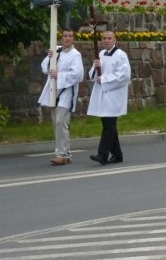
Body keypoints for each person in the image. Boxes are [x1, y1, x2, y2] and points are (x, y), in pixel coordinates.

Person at [38, 28, 84, 165]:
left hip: (66, 93)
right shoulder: (56, 50)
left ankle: (64, 153)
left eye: (70, 36)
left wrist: (60, 75)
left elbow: (78, 75)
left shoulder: (76, 55)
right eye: (65, 36)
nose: (67, 38)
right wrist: (50, 57)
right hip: (54, 91)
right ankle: (61, 152)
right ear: (61, 38)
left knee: (60, 121)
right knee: (56, 122)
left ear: (73, 38)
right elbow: (45, 67)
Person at [88, 30, 131, 165]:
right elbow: (93, 75)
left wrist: (105, 79)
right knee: (108, 124)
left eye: (109, 38)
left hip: (114, 95)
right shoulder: (101, 54)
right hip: (103, 94)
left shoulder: (120, 55)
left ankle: (102, 154)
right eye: (104, 38)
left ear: (114, 40)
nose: (106, 40)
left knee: (109, 125)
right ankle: (117, 155)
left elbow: (124, 76)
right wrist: (95, 68)